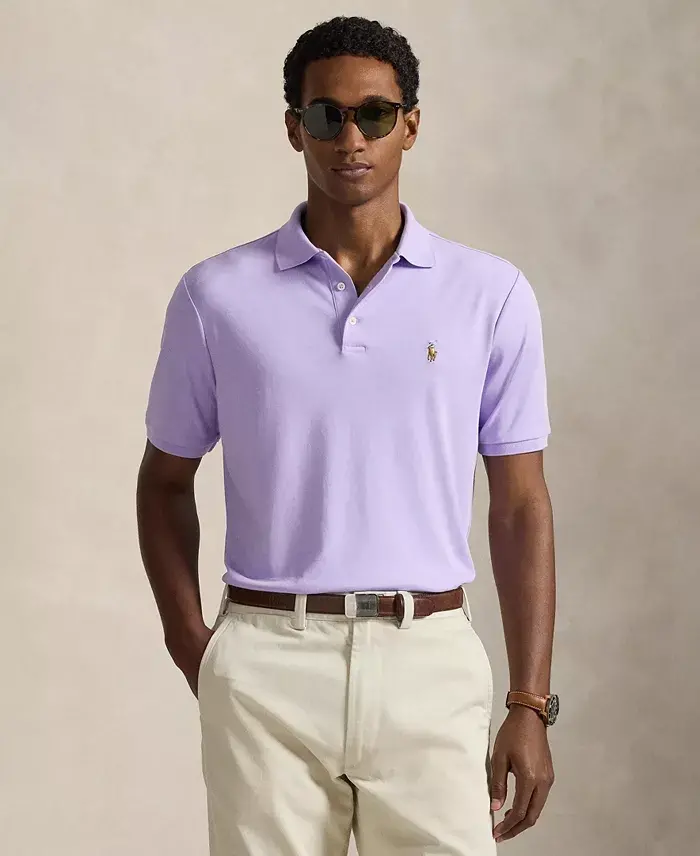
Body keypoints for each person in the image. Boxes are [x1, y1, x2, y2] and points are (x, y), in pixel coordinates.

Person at [136, 14, 557, 856]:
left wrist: (529, 702)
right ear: (295, 127)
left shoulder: (490, 294)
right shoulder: (216, 296)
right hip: (266, 666)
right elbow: (163, 481)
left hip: (430, 663)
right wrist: (195, 648)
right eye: (327, 115)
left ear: (411, 124)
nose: (351, 138)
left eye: (375, 114)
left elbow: (520, 506)